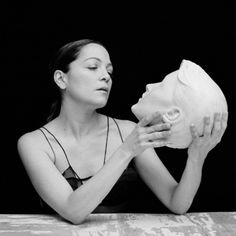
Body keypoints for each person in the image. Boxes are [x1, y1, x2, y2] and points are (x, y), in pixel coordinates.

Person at [17, 39, 228, 225]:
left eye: (109, 71)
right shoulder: (34, 143)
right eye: (93, 67)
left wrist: (196, 158)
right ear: (61, 79)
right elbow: (73, 212)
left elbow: (177, 203)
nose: (105, 77)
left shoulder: (127, 130)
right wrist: (127, 150)